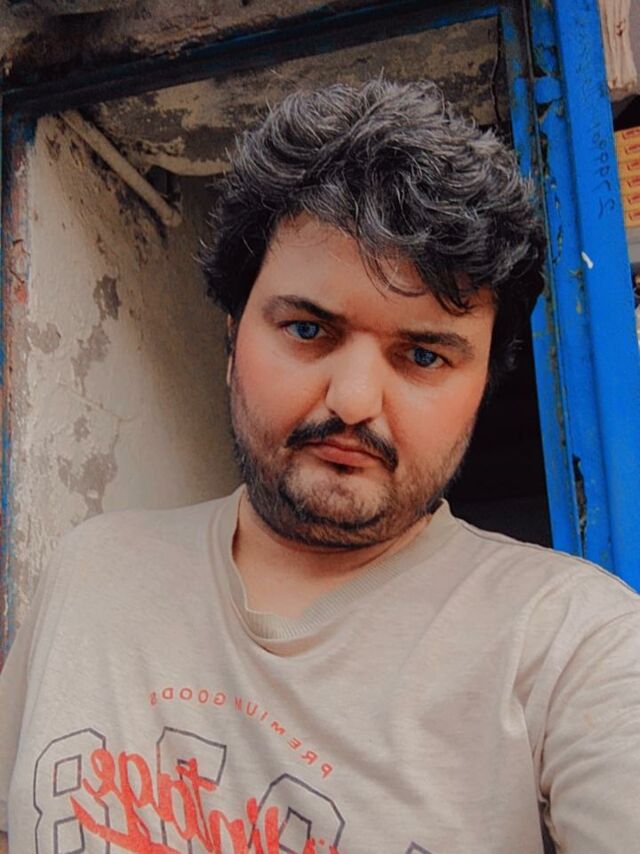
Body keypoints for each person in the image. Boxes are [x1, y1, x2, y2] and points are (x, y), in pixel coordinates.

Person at [1, 78, 639, 854]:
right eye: (308, 330)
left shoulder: (574, 646)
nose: (354, 401)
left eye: (424, 355)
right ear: (233, 337)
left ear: (482, 386)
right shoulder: (91, 576)